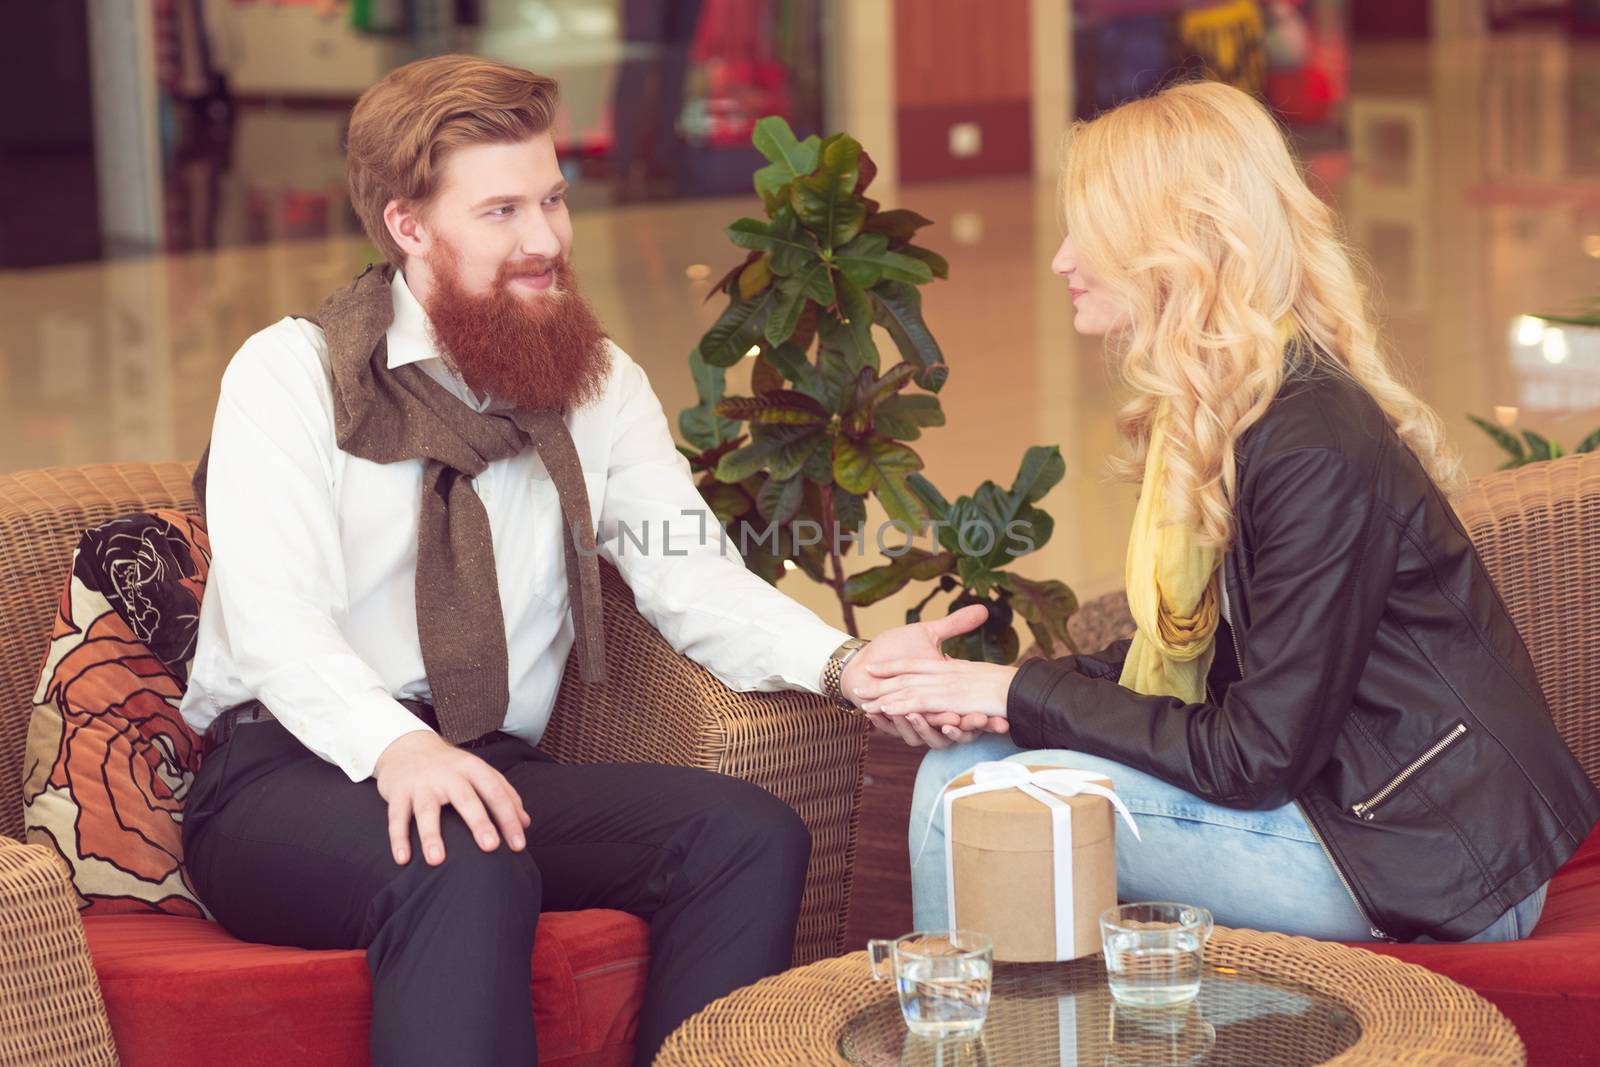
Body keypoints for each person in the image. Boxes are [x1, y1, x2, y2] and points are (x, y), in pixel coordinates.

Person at [176, 55, 989, 1067]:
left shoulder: (593, 384)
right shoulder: (290, 375)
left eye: (552, 200)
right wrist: (399, 749)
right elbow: (272, 617)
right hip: (288, 774)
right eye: (502, 211)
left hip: (487, 766)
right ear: (408, 226)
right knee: (463, 852)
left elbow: (685, 570)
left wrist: (844, 663)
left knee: (745, 834)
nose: (546, 241)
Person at [855, 80, 1600, 945]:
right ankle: (1039, 1028)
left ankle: (960, 1029)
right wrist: (997, 699)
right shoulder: (1223, 411)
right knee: (970, 760)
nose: (1061, 258)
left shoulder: (1311, 441)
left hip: (1433, 856)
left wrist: (1020, 691)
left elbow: (1253, 753)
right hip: (1345, 805)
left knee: (971, 801)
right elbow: (1197, 656)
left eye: (1085, 231)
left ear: (1173, 246)